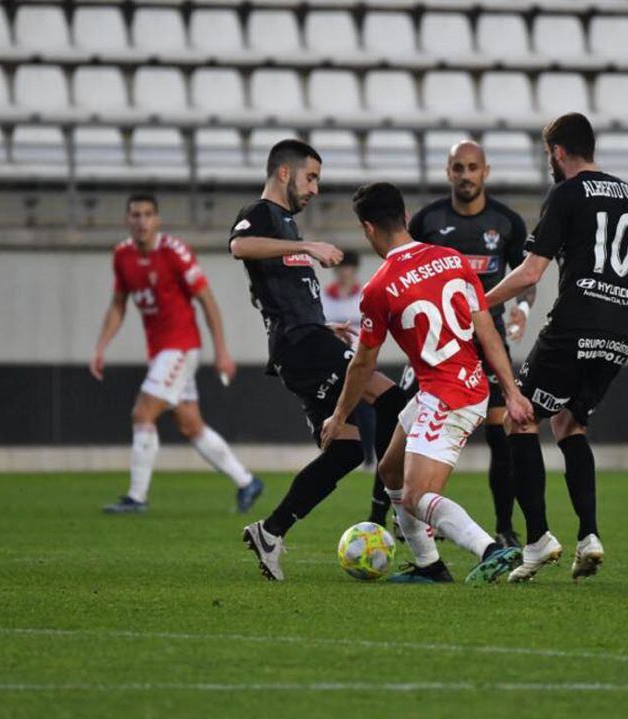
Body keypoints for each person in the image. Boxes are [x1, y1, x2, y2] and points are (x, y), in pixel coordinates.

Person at [321, 182, 534, 584]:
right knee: (390, 472)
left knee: (417, 497)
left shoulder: (379, 288)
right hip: (461, 385)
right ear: (405, 217)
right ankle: (429, 566)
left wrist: (338, 416)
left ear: (368, 229)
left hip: (448, 395)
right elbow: (486, 328)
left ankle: (490, 548)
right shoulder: (452, 259)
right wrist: (511, 390)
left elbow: (363, 363)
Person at [485, 113, 628, 582]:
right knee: (569, 423)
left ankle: (538, 539)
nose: (550, 162)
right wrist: (612, 286)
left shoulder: (565, 193)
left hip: (574, 325)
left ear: (559, 152)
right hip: (619, 331)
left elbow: (529, 273)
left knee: (517, 418)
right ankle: (589, 536)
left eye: (550, 154)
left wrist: (477, 306)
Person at [228, 140, 408, 581]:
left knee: (345, 450)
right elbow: (239, 245)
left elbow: (280, 294)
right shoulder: (266, 215)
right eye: (311, 178)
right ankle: (390, 517)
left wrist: (322, 325)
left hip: (306, 340)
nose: (314, 188)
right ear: (285, 173)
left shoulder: (285, 228)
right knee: (393, 403)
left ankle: (270, 532)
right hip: (299, 345)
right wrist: (308, 247)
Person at [383, 140, 532, 548]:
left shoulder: (508, 223)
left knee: (501, 438)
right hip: (436, 347)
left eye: (472, 168)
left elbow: (525, 275)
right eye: (457, 168)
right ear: (448, 171)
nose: (465, 175)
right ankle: (386, 518)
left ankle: (504, 526)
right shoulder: (429, 220)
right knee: (402, 427)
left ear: (485, 171)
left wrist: (522, 307)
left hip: (488, 340)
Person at [91, 194, 262, 514]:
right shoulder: (123, 256)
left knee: (142, 414)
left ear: (157, 220)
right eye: (135, 215)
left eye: (147, 215)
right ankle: (247, 482)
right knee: (190, 425)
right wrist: (101, 347)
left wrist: (222, 350)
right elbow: (118, 304)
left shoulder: (175, 253)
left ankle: (136, 497)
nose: (141, 221)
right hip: (159, 351)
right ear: (127, 220)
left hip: (181, 346)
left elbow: (207, 301)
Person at [319, 251, 378, 469]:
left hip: (362, 359)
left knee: (366, 410)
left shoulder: (364, 295)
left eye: (349, 268)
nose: (345, 272)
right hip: (334, 360)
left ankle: (369, 456)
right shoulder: (325, 297)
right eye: (342, 268)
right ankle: (337, 453)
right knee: (335, 408)